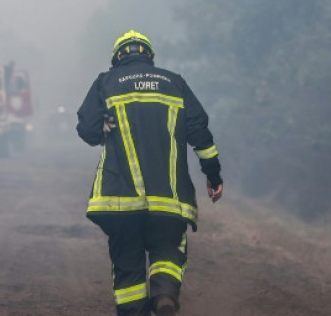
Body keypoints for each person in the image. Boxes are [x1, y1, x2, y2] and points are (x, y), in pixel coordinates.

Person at [76, 30, 223, 316]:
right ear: (149, 56)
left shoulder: (106, 82)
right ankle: (165, 295)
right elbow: (200, 134)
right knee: (167, 249)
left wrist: (106, 126)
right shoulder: (175, 83)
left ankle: (133, 311)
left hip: (120, 199)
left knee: (127, 263)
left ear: (118, 58)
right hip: (169, 197)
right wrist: (213, 175)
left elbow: (87, 130)